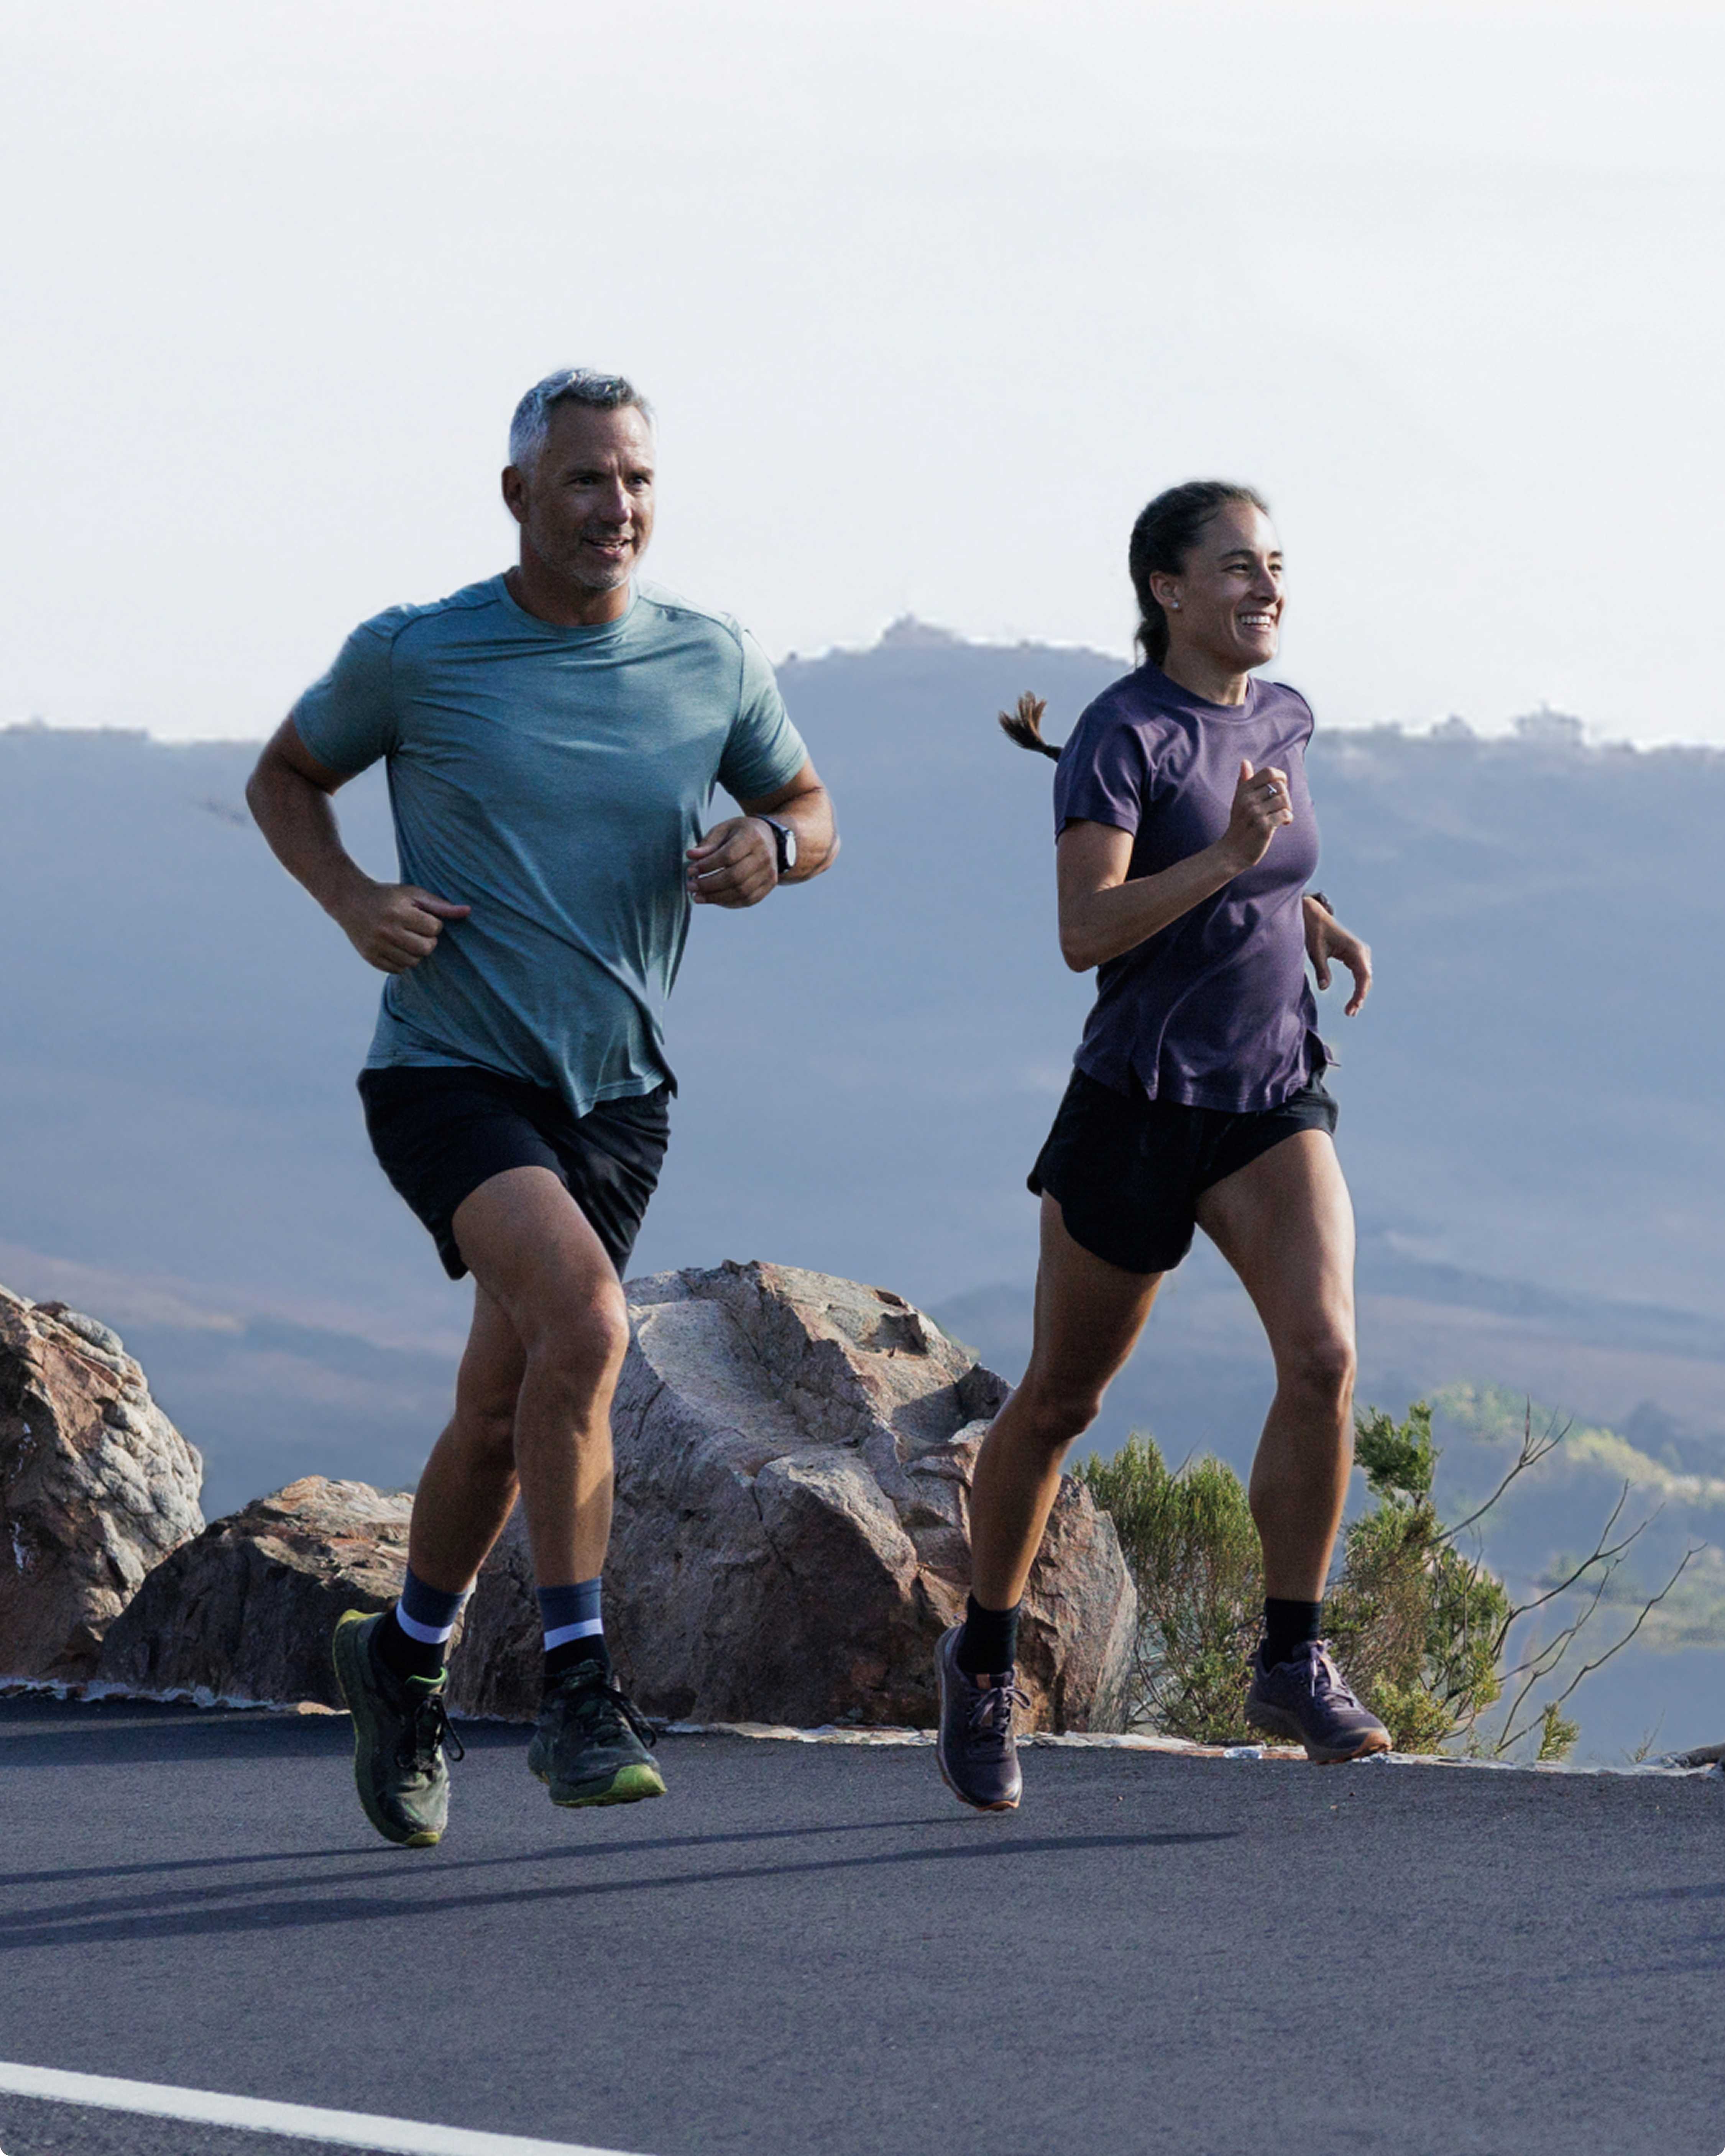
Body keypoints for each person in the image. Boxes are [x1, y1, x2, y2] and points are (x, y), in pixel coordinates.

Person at [247, 367, 836, 1847]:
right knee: (586, 1323)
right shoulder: (422, 653)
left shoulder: (710, 658)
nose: (614, 507)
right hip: (444, 1068)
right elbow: (284, 779)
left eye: (635, 480)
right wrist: (351, 897)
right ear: (518, 495)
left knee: (503, 1405)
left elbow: (816, 811)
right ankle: (581, 1688)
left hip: (615, 1096)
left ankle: (400, 1658)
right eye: (584, 480)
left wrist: (772, 841)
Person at [935, 480, 1388, 1812]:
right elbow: (1088, 928)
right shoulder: (1116, 735)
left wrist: (1309, 912)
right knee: (1061, 1403)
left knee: (1323, 1357)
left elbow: (1263, 859)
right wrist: (1233, 860)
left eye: (1276, 567)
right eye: (1238, 569)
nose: (1266, 589)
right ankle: (982, 1655)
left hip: (1266, 1097)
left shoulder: (1284, 714)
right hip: (1136, 1106)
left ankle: (1292, 1658)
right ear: (1166, 590)